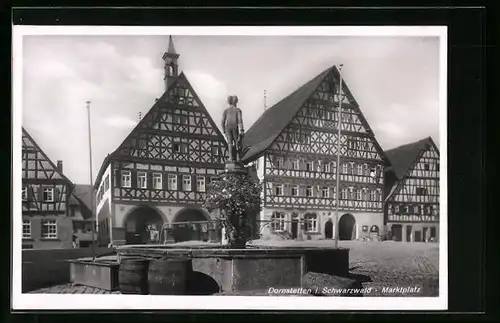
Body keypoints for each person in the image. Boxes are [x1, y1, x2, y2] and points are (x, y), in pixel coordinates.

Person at [221, 95, 244, 162]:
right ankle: (238, 158)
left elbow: (222, 122)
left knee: (230, 143)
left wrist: (224, 131)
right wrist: (241, 129)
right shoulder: (238, 110)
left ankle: (230, 158)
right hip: (235, 127)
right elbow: (240, 121)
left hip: (227, 127)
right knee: (237, 142)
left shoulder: (226, 111)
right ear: (236, 102)